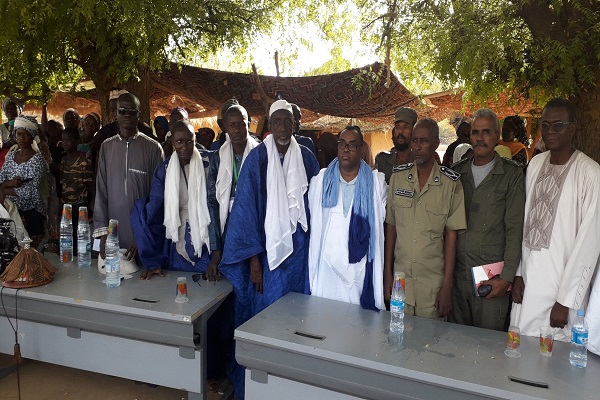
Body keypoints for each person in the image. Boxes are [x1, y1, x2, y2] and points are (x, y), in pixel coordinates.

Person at [218, 99, 319, 399]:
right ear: (270, 126)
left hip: (299, 257)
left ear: (294, 124)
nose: (284, 127)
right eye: (277, 122)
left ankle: (291, 383)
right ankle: (261, 383)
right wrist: (254, 263)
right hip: (264, 257)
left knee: (295, 318)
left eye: (288, 121)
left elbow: (314, 211)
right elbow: (246, 214)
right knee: (265, 318)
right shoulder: (257, 159)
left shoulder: (308, 159)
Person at [510, 98, 600, 342]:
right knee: (521, 350)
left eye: (558, 125)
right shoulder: (535, 165)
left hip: (560, 289)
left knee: (554, 360)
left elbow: (589, 243)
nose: (550, 131)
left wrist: (566, 301)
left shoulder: (591, 174)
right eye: (545, 125)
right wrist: (518, 273)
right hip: (529, 281)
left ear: (573, 128)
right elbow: (528, 224)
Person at [450, 108, 525, 331]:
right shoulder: (457, 173)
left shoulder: (511, 175)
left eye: (486, 132)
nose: (480, 138)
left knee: (488, 349)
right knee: (456, 345)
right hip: (458, 278)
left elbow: (515, 228)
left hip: (491, 280)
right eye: (475, 132)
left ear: (496, 134)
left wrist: (507, 278)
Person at [384, 118, 466, 319]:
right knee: (398, 342)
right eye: (414, 141)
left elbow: (451, 238)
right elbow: (391, 227)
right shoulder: (398, 178)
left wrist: (447, 287)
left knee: (429, 345)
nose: (417, 147)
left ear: (436, 144)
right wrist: (387, 275)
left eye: (424, 141)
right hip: (400, 282)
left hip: (432, 287)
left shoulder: (450, 184)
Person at [308, 126, 387, 310]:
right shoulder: (321, 181)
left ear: (361, 150)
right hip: (327, 267)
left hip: (359, 267)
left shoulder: (376, 184)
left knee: (358, 328)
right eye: (342, 144)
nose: (346, 149)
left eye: (352, 145)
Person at [93, 93, 164, 261]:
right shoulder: (106, 147)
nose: (127, 116)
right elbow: (101, 191)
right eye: (122, 111)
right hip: (113, 229)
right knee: (113, 278)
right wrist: (103, 233)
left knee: (142, 282)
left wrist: (143, 235)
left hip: (142, 231)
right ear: (115, 114)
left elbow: (158, 197)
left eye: (132, 112)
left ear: (139, 114)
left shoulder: (153, 148)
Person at [206, 105, 258, 281]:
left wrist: (255, 255)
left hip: (254, 229)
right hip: (227, 229)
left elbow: (264, 204)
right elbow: (213, 202)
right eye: (232, 125)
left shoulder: (260, 155)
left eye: (241, 124)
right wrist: (216, 251)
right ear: (225, 127)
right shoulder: (218, 158)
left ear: (248, 124)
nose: (236, 130)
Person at [0, 116, 49, 237]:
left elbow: (29, 193)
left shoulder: (37, 161)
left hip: (31, 214)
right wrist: (7, 184)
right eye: (18, 134)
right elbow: (1, 180)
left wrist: (3, 189)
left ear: (32, 136)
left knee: (30, 250)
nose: (21, 138)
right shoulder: (11, 156)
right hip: (11, 211)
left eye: (25, 134)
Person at [60, 127, 94, 252]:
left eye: (68, 140)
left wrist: (92, 206)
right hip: (66, 205)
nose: (65, 143)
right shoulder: (63, 161)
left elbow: (90, 185)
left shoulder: (83, 162)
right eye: (63, 140)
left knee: (80, 236)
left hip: (80, 204)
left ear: (76, 141)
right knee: (67, 237)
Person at [374, 107, 418, 183]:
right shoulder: (383, 160)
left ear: (414, 130)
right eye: (397, 127)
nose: (400, 132)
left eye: (406, 127)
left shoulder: (420, 160)